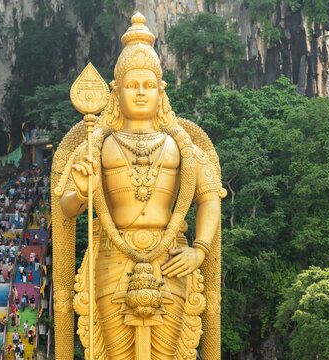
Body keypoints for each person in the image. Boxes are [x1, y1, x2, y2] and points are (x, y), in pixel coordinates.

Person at [52, 13, 223, 359]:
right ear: (117, 92)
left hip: (170, 256)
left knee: (168, 352)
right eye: (132, 86)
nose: (141, 93)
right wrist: (83, 191)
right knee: (114, 353)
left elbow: (209, 197)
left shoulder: (182, 144)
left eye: (148, 85)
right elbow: (66, 208)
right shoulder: (97, 143)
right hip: (111, 257)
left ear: (161, 91)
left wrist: (200, 250)